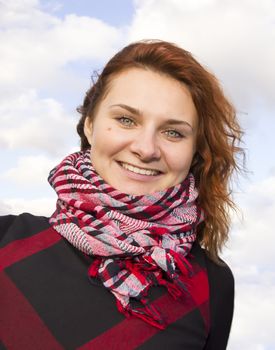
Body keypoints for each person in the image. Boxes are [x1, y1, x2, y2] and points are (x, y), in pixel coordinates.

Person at [0, 40, 243, 349]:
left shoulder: (212, 284)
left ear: (194, 152)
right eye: (126, 120)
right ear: (89, 125)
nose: (145, 148)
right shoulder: (6, 241)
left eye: (173, 132)